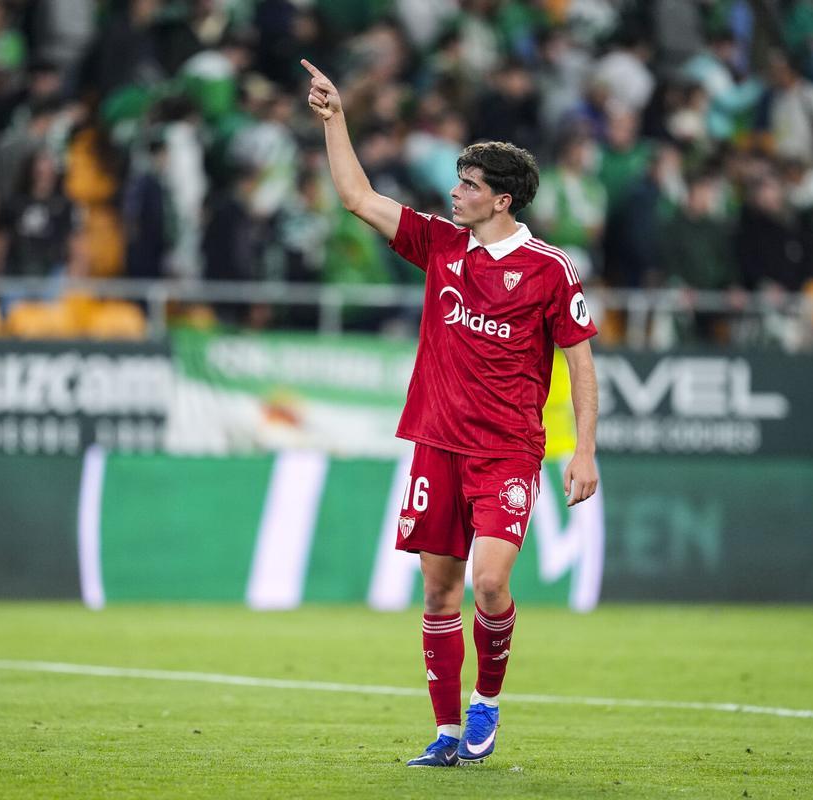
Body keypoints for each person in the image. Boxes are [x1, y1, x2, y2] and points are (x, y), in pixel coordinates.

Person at [302, 58, 599, 767]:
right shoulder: (440, 245)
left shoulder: (549, 269)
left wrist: (584, 450)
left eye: (468, 185)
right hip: (437, 445)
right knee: (439, 594)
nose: (455, 192)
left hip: (507, 452)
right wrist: (335, 118)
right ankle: (443, 733)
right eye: (458, 181)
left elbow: (580, 361)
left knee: (489, 582)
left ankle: (485, 705)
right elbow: (355, 197)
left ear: (501, 200)